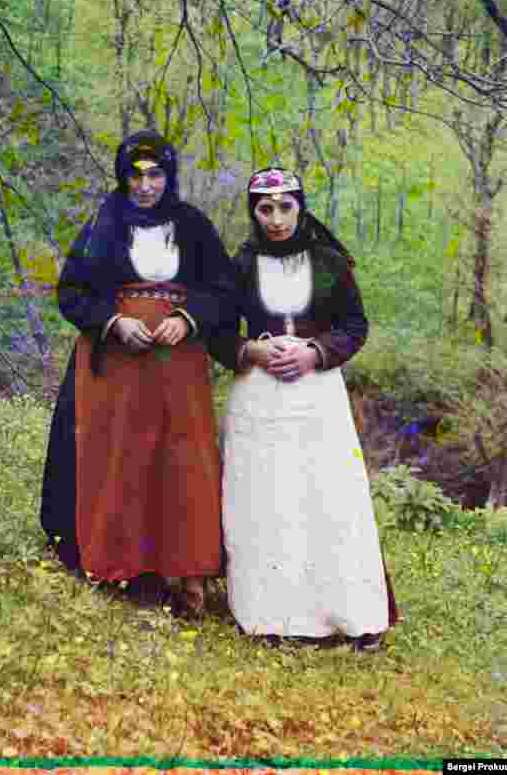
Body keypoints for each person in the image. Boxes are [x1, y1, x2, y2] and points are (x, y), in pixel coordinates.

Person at [40, 130, 236, 616]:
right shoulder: (102, 223)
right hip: (117, 363)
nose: (146, 185)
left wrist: (186, 319)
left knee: (178, 460)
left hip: (177, 364)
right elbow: (71, 294)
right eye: (136, 175)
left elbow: (222, 289)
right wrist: (113, 321)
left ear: (169, 178)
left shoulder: (193, 226)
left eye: (155, 175)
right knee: (118, 457)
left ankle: (181, 569)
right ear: (123, 177)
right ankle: (120, 564)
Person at [209, 166, 400, 650]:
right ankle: (269, 617)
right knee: (264, 500)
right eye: (265, 209)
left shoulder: (330, 262)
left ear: (301, 206)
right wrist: (252, 351)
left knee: (330, 497)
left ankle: (351, 616)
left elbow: (354, 326)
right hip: (259, 395)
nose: (276, 219)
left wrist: (313, 352)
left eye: (285, 208)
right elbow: (216, 332)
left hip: (317, 395)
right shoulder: (239, 265)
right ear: (253, 213)